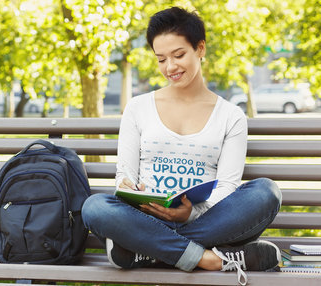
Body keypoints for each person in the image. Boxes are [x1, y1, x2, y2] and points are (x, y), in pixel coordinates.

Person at [81, 6, 282, 286]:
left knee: (265, 192)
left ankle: (147, 253)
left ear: (200, 49)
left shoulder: (230, 116)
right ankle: (209, 259)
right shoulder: (138, 108)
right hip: (146, 221)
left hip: (206, 220)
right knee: (96, 207)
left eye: (178, 55)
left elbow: (226, 186)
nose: (170, 68)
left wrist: (191, 212)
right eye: (161, 59)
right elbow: (124, 175)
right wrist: (130, 190)